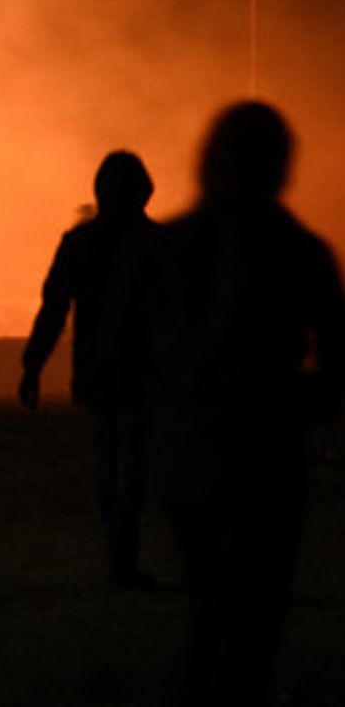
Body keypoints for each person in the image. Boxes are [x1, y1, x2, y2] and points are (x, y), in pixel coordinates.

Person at [144, 102, 343, 703]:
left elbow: (126, 345)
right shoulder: (301, 251)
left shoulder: (169, 247)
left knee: (207, 603)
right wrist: (297, 404)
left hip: (188, 447)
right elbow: (335, 361)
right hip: (266, 450)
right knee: (256, 614)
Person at [18, 150, 160, 589]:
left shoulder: (80, 244)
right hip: (145, 372)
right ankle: (124, 554)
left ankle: (116, 552)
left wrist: (32, 366)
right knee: (133, 464)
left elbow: (54, 310)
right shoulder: (159, 245)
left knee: (109, 460)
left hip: (98, 369)